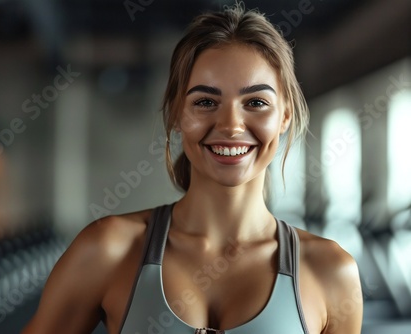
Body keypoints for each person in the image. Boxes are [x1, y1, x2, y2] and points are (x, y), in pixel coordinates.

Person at [23, 3, 363, 334]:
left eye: (256, 103)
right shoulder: (108, 249)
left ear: (284, 116)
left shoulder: (331, 272)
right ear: (175, 115)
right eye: (205, 102)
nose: (230, 126)